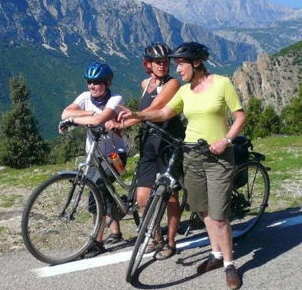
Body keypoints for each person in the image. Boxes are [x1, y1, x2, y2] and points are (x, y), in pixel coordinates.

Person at [118, 42, 246, 290]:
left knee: (219, 216)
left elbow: (240, 116)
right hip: (192, 156)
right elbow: (164, 112)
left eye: (181, 63)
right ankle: (216, 255)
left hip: (218, 157)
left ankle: (230, 264)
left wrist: (226, 140)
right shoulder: (185, 91)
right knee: (205, 211)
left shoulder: (221, 83)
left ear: (196, 63)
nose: (177, 69)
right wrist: (137, 115)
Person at [106, 42, 184, 260]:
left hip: (169, 143)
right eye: (158, 62)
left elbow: (154, 110)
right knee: (142, 198)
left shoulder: (172, 83)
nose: (163, 65)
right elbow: (143, 111)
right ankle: (155, 237)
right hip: (149, 143)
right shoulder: (145, 83)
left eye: (166, 61)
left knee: (170, 197)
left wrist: (125, 123)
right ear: (147, 64)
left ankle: (170, 242)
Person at [59, 62, 127, 257]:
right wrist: (86, 113)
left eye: (97, 83)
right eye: (90, 82)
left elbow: (98, 120)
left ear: (108, 83)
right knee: (102, 191)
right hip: (94, 155)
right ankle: (115, 232)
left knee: (98, 190)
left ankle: (97, 243)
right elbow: (65, 112)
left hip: (115, 155)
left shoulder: (115, 99)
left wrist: (73, 120)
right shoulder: (85, 97)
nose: (92, 87)